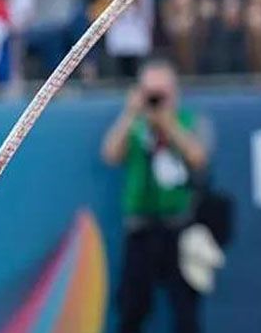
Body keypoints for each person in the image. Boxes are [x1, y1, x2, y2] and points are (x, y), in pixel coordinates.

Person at [101, 59, 212, 333]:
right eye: (151, 93)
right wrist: (130, 114)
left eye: (161, 93)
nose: (155, 100)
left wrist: (168, 123)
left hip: (179, 226)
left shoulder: (191, 121)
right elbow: (111, 154)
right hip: (141, 227)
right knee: (132, 307)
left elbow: (198, 158)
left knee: (185, 310)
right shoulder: (134, 123)